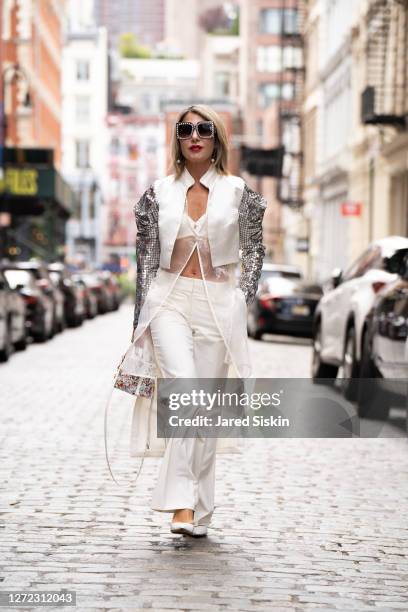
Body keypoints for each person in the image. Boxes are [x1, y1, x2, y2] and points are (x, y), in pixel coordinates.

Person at [129, 104, 267, 537]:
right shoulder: (156, 193)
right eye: (185, 129)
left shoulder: (240, 192)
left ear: (216, 138)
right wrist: (138, 325)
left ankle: (200, 509)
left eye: (203, 128)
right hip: (169, 299)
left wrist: (239, 301)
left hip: (217, 303)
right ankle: (181, 503)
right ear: (177, 139)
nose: (194, 135)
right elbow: (146, 261)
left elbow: (254, 253)